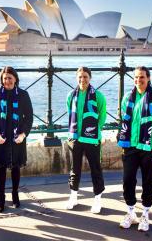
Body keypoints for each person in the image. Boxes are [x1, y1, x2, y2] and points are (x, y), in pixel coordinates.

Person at [117, 66, 152, 232]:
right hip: (131, 146)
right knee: (128, 180)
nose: (138, 80)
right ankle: (131, 213)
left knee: (148, 182)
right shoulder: (127, 97)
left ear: (148, 78)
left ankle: (145, 214)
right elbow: (125, 121)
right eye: (136, 77)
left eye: (142, 77)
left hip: (150, 146)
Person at [0, 66, 33, 212]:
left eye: (10, 78)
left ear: (15, 79)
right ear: (1, 80)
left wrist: (23, 135)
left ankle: (15, 195)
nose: (7, 81)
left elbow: (29, 117)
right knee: (0, 168)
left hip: (17, 137)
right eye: (5, 78)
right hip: (1, 137)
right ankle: (1, 198)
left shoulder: (23, 95)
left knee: (15, 168)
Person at [66, 67, 107, 213]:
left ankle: (97, 199)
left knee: (95, 169)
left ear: (90, 78)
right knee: (74, 169)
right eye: (80, 77)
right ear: (77, 78)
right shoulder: (71, 95)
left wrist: (95, 131)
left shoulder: (98, 96)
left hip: (92, 139)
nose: (82, 80)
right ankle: (73, 196)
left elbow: (102, 116)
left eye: (85, 77)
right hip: (75, 138)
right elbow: (70, 113)